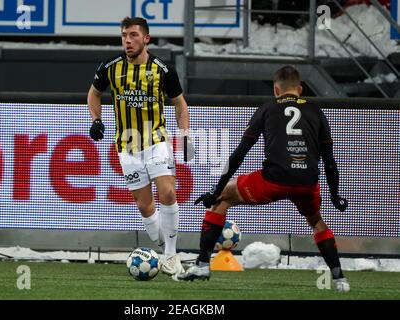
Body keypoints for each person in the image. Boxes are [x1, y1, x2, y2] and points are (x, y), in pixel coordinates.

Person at [177, 66, 350, 292]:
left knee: (223, 198)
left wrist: (215, 190)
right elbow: (329, 161)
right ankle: (339, 279)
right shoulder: (316, 111)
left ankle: (201, 265)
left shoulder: (268, 108)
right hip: (307, 183)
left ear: (276, 90)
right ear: (300, 89)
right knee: (316, 222)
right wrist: (335, 195)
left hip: (273, 181)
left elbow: (239, 153)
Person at [87, 16, 193, 278]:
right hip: (127, 146)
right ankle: (163, 248)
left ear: (146, 39)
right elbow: (93, 93)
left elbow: (180, 105)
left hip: (156, 141)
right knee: (145, 206)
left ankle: (170, 255)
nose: (127, 40)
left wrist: (186, 137)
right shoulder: (110, 67)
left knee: (168, 193)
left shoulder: (162, 69)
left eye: (133, 35)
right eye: (124, 35)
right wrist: (96, 119)